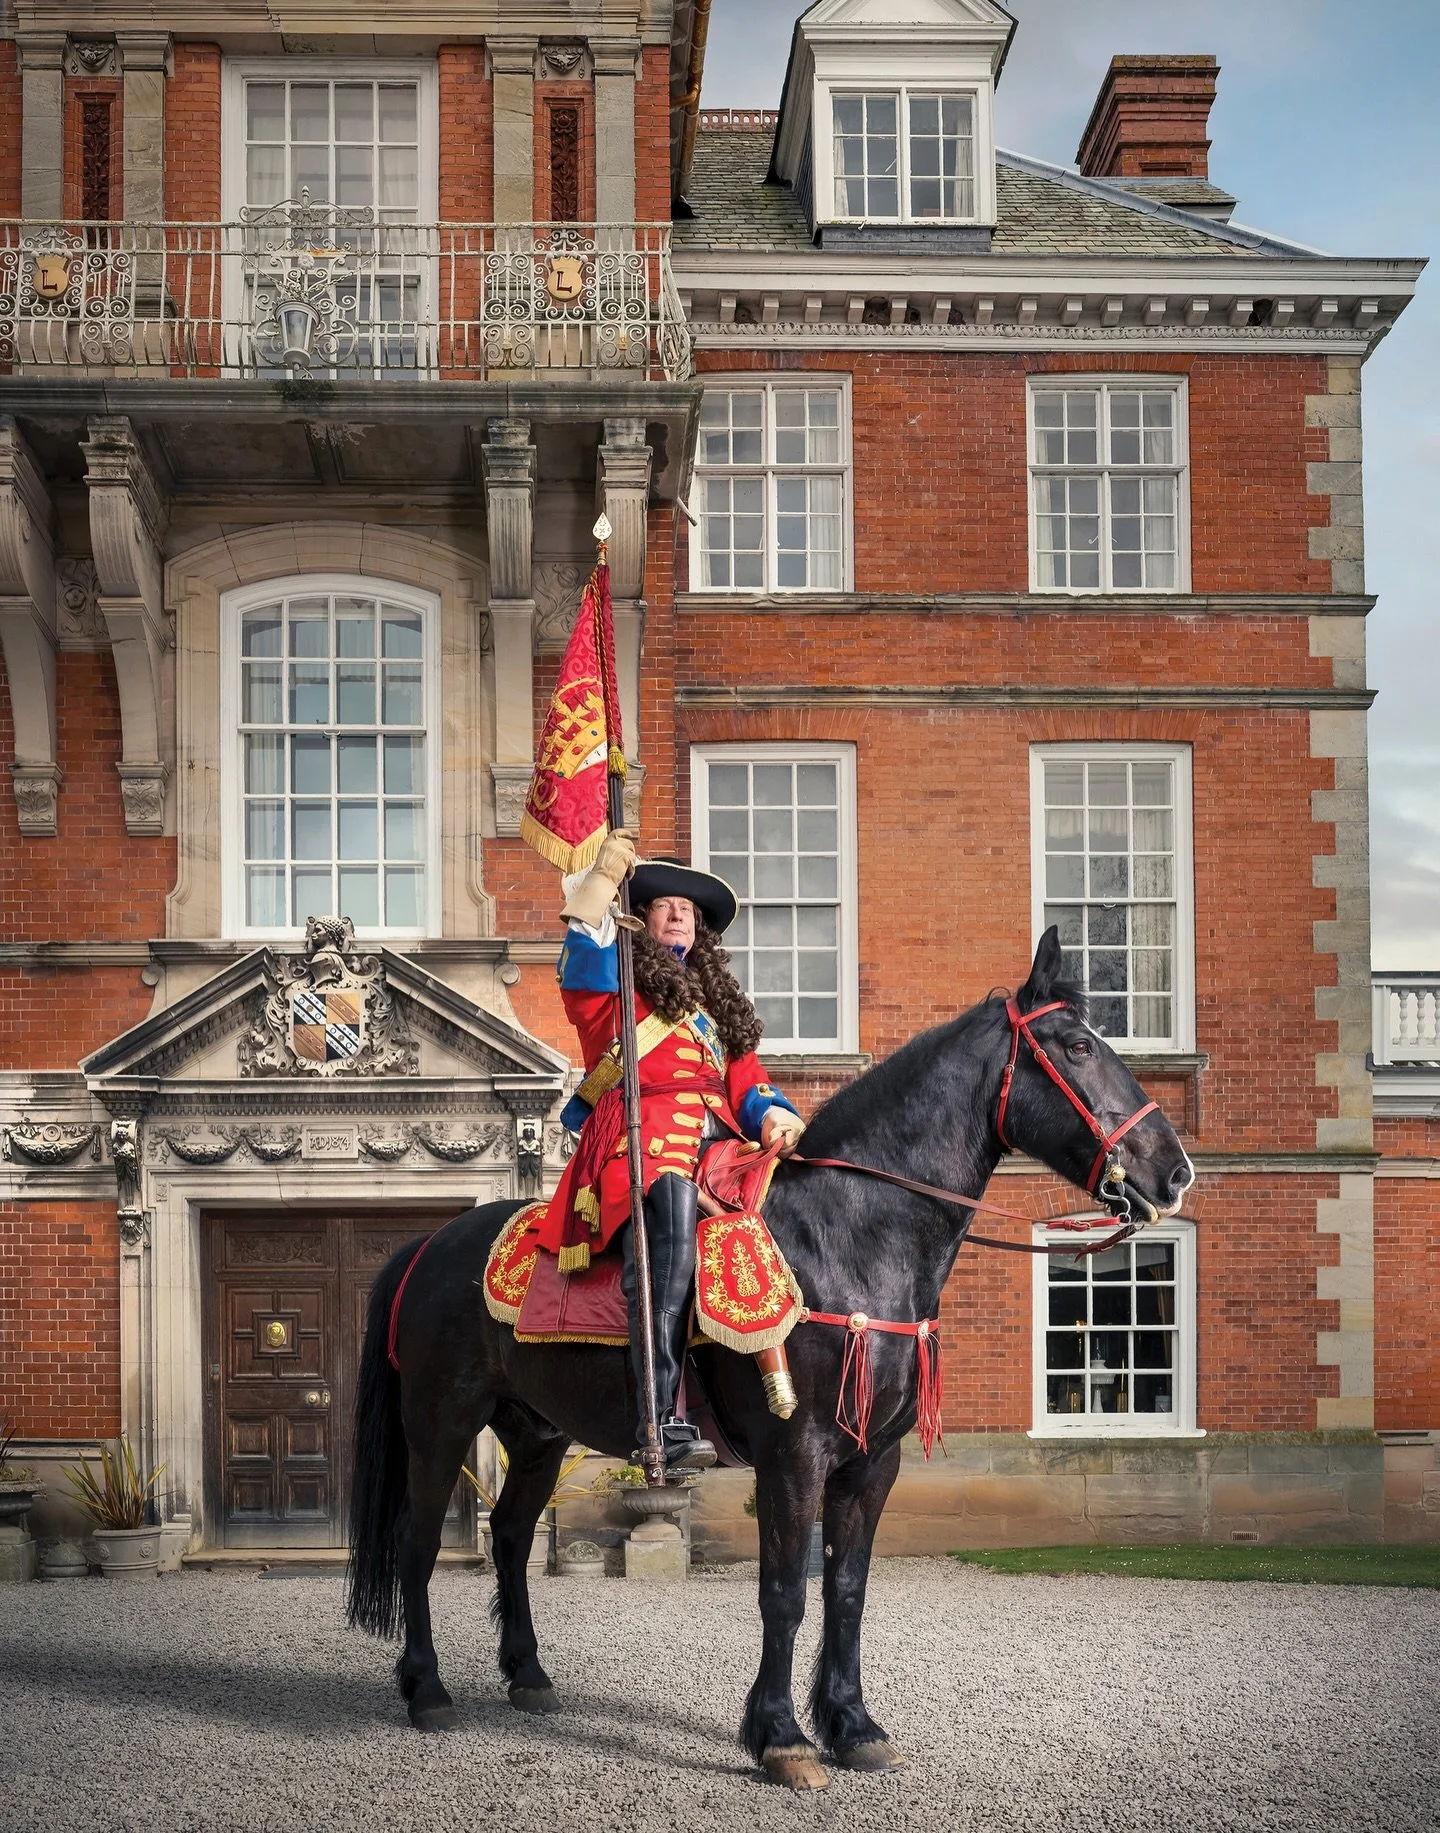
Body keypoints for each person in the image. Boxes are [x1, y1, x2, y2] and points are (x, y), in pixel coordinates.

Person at [538, 831, 806, 1470]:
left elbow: (748, 1083)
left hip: (718, 1150)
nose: (679, 912)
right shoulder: (617, 994)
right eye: (664, 905)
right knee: (673, 1225)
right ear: (642, 919)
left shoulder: (713, 1014)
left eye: (689, 908)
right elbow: (584, 952)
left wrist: (774, 1117)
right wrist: (602, 878)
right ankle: (657, 1416)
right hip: (641, 1148)